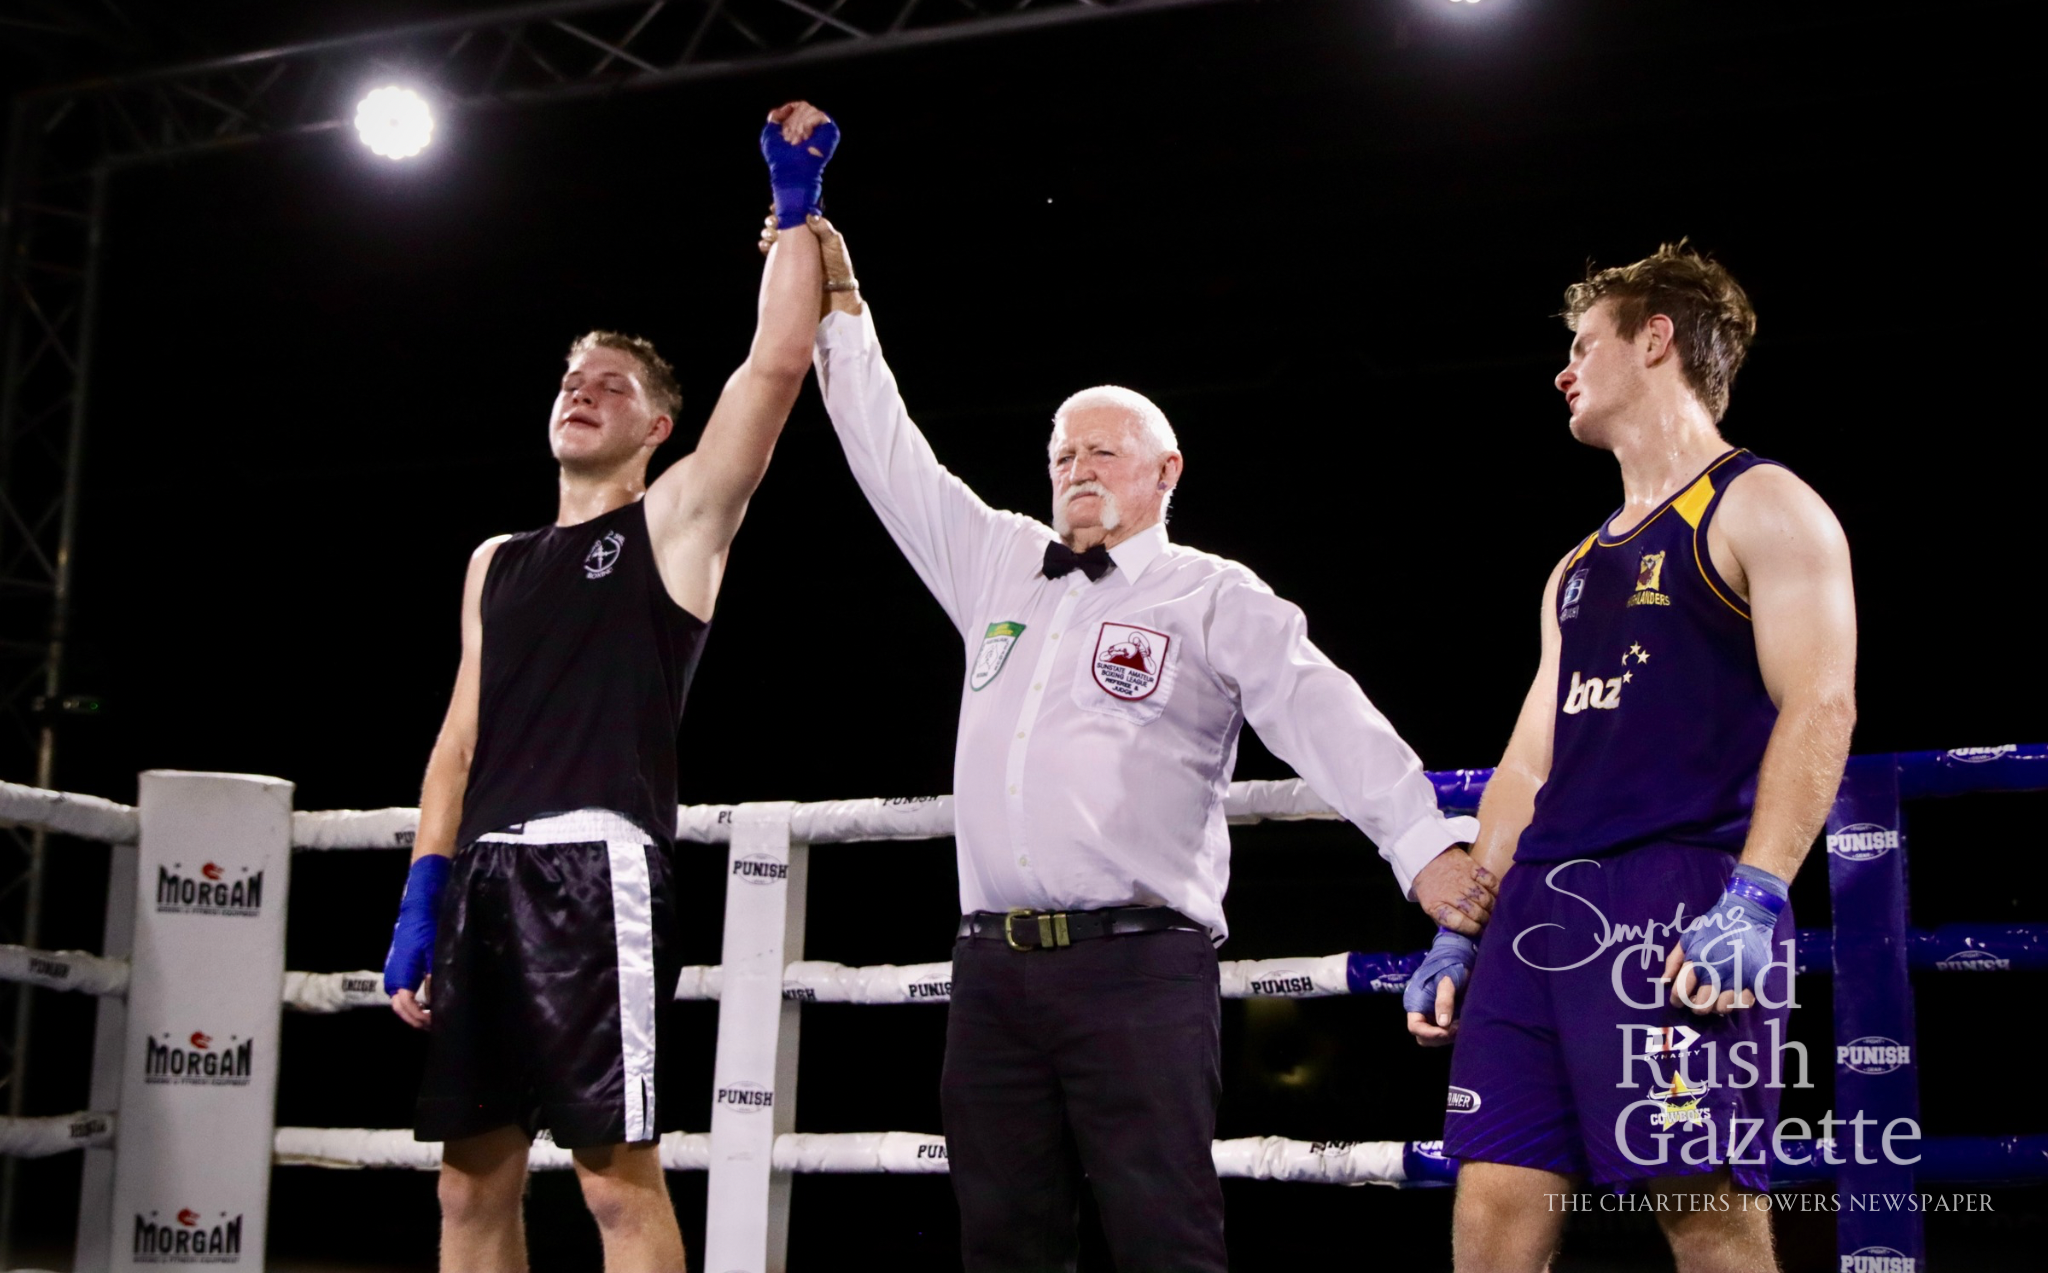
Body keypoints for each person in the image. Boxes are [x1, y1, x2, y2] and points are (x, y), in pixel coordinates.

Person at [765, 214, 1497, 1273]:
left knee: (1162, 1238)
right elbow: (886, 450)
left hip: (1140, 968)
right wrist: (840, 308)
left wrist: (1420, 847)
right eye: (1062, 452)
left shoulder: (1207, 592)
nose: (1077, 466)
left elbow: (1321, 712)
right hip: (990, 970)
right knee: (1004, 1242)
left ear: (1166, 472)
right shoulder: (996, 562)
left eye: (1103, 449)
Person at [379, 100, 839, 1271]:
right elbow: (455, 744)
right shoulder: (495, 563)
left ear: (659, 426)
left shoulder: (675, 525)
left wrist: (794, 212)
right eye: (571, 376)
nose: (581, 389)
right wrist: (422, 898)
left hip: (598, 872)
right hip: (483, 876)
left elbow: (778, 363)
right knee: (467, 1186)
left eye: (613, 382)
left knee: (613, 1186)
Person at [1406, 244, 1857, 1272]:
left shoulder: (1759, 502)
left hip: (1679, 891)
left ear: (1653, 340)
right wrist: (1465, 926)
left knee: (1704, 1217)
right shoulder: (1575, 565)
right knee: (1491, 1208)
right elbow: (1526, 764)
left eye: (1582, 344)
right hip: (1537, 910)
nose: (1563, 370)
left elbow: (1821, 702)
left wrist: (1754, 897)